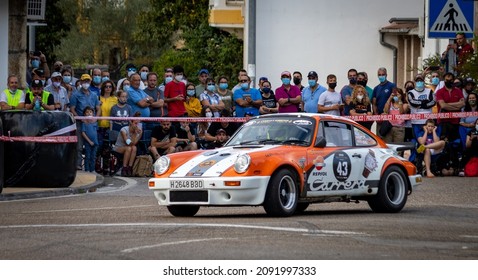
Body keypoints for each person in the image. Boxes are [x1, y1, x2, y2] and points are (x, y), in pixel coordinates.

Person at [70, 74, 101, 170]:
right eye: (84, 81)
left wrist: (95, 118)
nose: (86, 83)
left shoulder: (94, 95)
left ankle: (92, 166)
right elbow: (72, 109)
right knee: (79, 146)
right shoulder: (75, 95)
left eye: (88, 81)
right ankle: (78, 165)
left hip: (92, 124)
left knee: (93, 144)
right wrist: (80, 118)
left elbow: (98, 108)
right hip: (80, 123)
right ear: (81, 82)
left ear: (90, 82)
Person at [435, 72, 465, 142]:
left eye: (451, 80)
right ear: (444, 80)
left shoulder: (458, 91)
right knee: (443, 142)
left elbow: (462, 103)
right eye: (446, 80)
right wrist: (457, 107)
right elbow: (442, 105)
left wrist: (447, 104)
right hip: (443, 121)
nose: (448, 81)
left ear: (453, 80)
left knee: (455, 143)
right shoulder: (439, 91)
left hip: (455, 121)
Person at [407, 74, 436, 145]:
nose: (419, 82)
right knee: (418, 142)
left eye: (421, 80)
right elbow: (413, 103)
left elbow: (433, 102)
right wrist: (425, 103)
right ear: (414, 82)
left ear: (423, 81)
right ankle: (417, 156)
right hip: (416, 122)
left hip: (428, 122)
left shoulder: (429, 91)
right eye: (417, 81)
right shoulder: (411, 92)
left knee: (428, 142)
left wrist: (421, 105)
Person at [114, 112, 143, 176]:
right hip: (119, 147)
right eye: (135, 123)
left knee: (134, 148)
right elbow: (128, 143)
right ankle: (124, 168)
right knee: (129, 148)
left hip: (129, 147)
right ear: (131, 123)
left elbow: (134, 143)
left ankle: (129, 168)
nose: (137, 126)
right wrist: (135, 134)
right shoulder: (124, 130)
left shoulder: (139, 132)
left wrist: (135, 134)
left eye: (138, 124)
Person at [372, 67, 396, 135]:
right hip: (380, 119)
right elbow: (374, 103)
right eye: (379, 75)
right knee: (379, 138)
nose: (381, 76)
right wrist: (376, 116)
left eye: (383, 74)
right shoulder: (376, 89)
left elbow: (396, 99)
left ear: (386, 75)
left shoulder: (392, 85)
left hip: (390, 118)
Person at [98, 80, 118, 145]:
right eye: (106, 87)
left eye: (110, 86)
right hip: (99, 125)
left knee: (109, 146)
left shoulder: (115, 99)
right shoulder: (98, 98)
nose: (108, 88)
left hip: (111, 126)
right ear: (103, 88)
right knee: (99, 145)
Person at [81, 106, 99, 173]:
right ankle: (87, 169)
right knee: (87, 156)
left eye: (90, 112)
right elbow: (83, 133)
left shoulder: (95, 123)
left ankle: (92, 169)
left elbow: (96, 132)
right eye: (87, 112)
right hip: (88, 143)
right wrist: (89, 141)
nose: (89, 113)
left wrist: (95, 141)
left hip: (95, 142)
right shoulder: (84, 124)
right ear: (84, 114)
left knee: (93, 157)